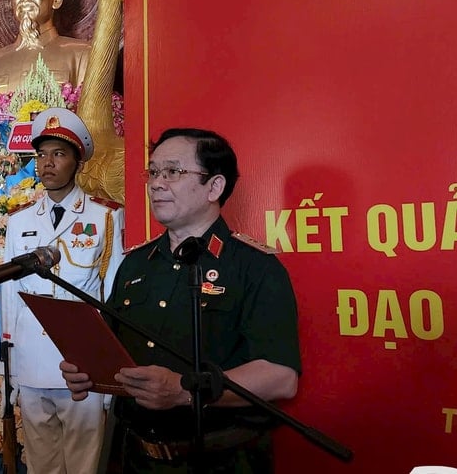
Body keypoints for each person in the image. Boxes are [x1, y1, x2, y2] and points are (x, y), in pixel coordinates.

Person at [60, 128, 301, 473]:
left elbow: (280, 377)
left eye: (173, 172)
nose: (157, 183)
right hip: (134, 455)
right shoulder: (135, 263)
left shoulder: (256, 268)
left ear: (214, 187)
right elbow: (113, 347)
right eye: (154, 172)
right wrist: (89, 371)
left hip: (221, 459)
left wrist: (183, 391)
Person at [0, 107, 125, 474]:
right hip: (31, 360)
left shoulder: (104, 216)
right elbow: (10, 294)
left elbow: (111, 291)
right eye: (41, 154)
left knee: (85, 465)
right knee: (41, 465)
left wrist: (107, 369)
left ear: (78, 163)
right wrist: (12, 368)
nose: (47, 163)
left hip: (82, 363)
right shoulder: (19, 220)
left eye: (59, 154)